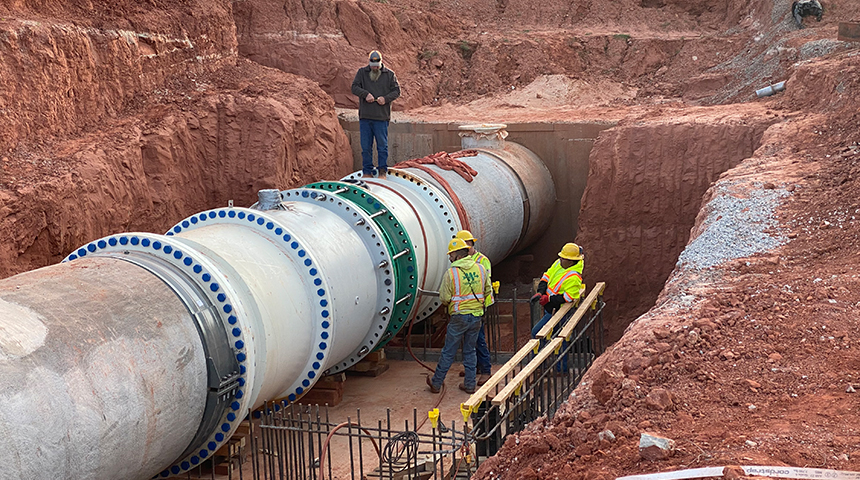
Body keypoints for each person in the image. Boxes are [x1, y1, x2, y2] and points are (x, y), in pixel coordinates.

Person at [427, 238, 493, 395]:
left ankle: (436, 383)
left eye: (451, 255)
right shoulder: (481, 269)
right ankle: (470, 385)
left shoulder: (451, 273)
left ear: (457, 255)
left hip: (458, 318)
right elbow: (488, 290)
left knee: (449, 351)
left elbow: (444, 298)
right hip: (476, 317)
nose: (449, 257)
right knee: (470, 351)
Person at [530, 243, 585, 371]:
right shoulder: (558, 264)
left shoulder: (574, 277)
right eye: (561, 257)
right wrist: (540, 291)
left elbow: (568, 297)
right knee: (556, 338)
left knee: (549, 336)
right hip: (551, 308)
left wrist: (548, 299)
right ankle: (549, 366)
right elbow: (546, 276)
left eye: (564, 258)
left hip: (560, 311)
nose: (561, 260)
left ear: (571, 261)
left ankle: (545, 367)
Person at [351, 50, 401, 179]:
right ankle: (367, 172)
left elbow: (396, 91)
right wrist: (365, 94)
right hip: (365, 117)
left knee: (382, 147)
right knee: (365, 147)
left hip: (381, 117)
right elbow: (354, 87)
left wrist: (385, 98)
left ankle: (382, 172)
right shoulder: (362, 73)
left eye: (377, 65)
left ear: (381, 63)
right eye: (372, 65)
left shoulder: (389, 75)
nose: (374, 67)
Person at [455, 230, 494, 386]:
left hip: (479, 304)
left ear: (471, 245)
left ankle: (486, 370)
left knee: (479, 338)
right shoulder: (462, 260)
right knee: (469, 338)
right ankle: (474, 367)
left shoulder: (482, 261)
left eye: (467, 245)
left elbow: (484, 284)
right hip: (467, 306)